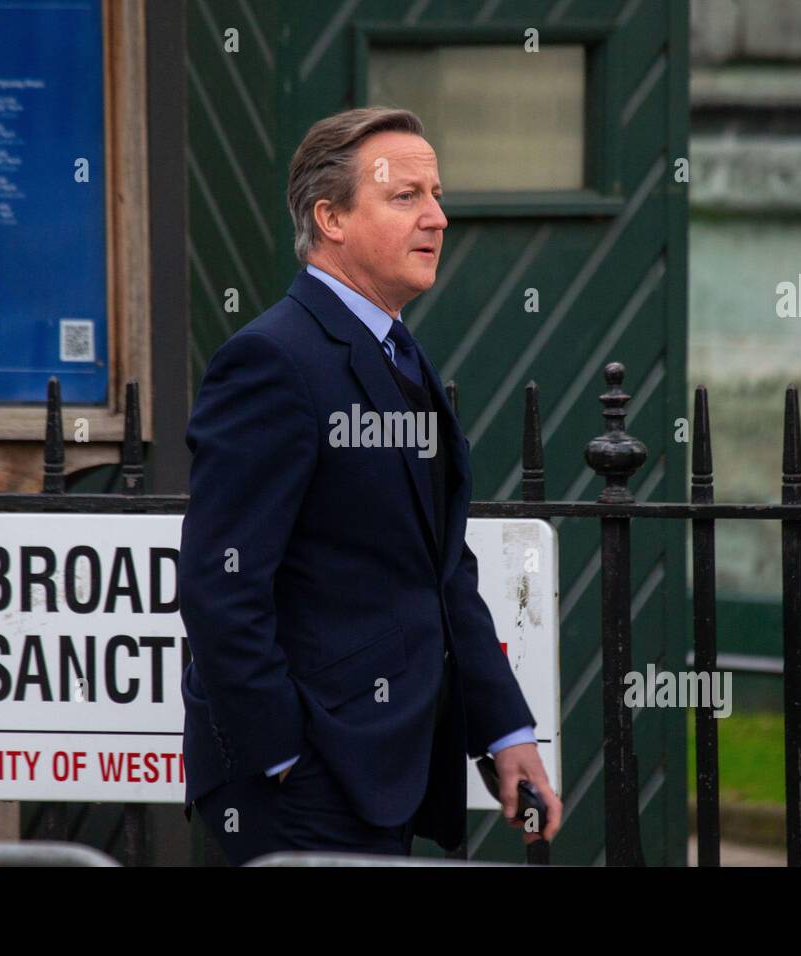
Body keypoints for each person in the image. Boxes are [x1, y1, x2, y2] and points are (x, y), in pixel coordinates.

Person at [178, 106, 562, 864]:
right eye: (406, 196)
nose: (438, 217)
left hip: (387, 772)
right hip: (303, 782)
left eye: (437, 193)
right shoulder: (272, 362)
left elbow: (439, 570)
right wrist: (282, 753)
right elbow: (221, 582)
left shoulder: (399, 354)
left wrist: (506, 731)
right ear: (331, 218)